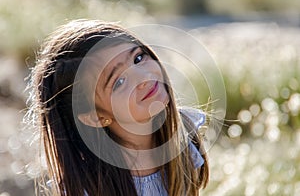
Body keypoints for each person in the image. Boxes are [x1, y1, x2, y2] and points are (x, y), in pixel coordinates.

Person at [26, 19, 209, 196]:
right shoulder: (87, 188)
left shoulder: (183, 136)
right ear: (96, 117)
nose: (143, 77)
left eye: (138, 58)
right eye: (119, 82)